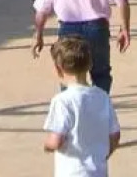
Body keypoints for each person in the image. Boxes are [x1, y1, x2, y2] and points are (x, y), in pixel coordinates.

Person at [42, 35, 120, 177]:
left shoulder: (62, 101)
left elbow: (57, 140)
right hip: (98, 171)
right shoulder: (103, 97)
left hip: (72, 172)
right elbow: (115, 135)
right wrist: (103, 154)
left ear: (58, 69)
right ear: (90, 65)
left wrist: (48, 145)